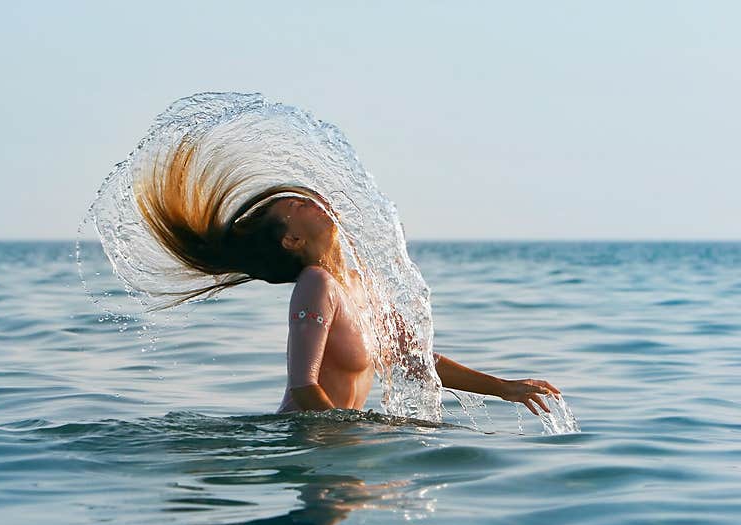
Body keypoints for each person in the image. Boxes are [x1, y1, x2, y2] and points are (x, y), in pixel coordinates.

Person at [134, 138, 561, 417]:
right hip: (309, 444)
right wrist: (343, 441)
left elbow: (415, 361)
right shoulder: (316, 285)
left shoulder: (359, 286)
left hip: (339, 443)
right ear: (291, 240)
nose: (308, 201)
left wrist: (502, 388)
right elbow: (303, 388)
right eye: (293, 208)